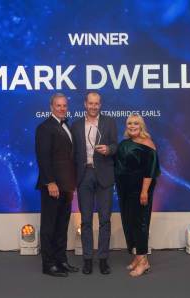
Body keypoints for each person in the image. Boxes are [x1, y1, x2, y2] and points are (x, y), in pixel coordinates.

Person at [71, 91, 118, 275]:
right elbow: (72, 154)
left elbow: (116, 146)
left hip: (105, 175)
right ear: (85, 104)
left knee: (105, 219)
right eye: (90, 103)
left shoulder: (109, 122)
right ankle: (88, 259)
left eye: (96, 103)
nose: (93, 106)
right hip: (84, 176)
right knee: (86, 220)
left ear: (100, 105)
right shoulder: (75, 126)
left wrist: (108, 149)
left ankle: (104, 259)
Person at [35, 93, 79, 277]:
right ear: (51, 106)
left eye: (64, 105)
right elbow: (43, 158)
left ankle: (61, 260)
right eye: (58, 105)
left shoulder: (66, 125)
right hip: (52, 186)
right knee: (49, 226)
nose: (62, 108)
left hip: (67, 186)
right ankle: (49, 264)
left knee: (62, 225)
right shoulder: (45, 127)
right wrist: (50, 182)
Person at [115, 114, 160, 277]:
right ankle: (137, 256)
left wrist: (144, 191)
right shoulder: (124, 143)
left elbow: (151, 171)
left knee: (140, 223)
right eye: (129, 123)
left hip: (140, 190)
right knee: (130, 222)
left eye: (135, 123)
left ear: (141, 126)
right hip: (124, 190)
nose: (132, 126)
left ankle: (144, 262)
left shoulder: (148, 144)